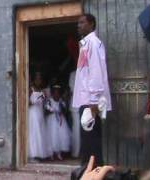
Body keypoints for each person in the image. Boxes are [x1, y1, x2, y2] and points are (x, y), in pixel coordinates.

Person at [72, 14, 112, 166]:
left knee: (91, 140)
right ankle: (89, 170)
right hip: (86, 100)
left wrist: (94, 101)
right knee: (88, 139)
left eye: (82, 22)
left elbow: (96, 72)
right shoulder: (86, 44)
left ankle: (94, 171)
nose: (79, 25)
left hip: (91, 102)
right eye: (78, 23)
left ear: (92, 24)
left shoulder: (93, 43)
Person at [45, 85, 71, 160]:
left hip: (60, 120)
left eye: (58, 93)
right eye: (55, 93)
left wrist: (61, 110)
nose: (57, 94)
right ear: (52, 93)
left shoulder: (61, 101)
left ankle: (59, 153)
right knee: (52, 135)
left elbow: (64, 110)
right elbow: (46, 110)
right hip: (51, 121)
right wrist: (52, 111)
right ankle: (51, 153)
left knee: (61, 135)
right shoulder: (49, 101)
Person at [28, 72, 47, 161]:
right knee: (34, 133)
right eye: (37, 79)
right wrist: (34, 101)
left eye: (40, 79)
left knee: (40, 132)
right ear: (34, 79)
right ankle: (33, 154)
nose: (39, 81)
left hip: (40, 113)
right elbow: (26, 103)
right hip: (33, 113)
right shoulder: (30, 89)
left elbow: (44, 104)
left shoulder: (42, 90)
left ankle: (40, 154)